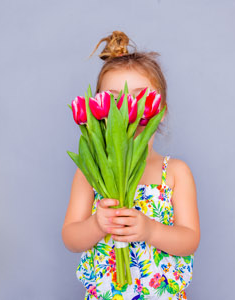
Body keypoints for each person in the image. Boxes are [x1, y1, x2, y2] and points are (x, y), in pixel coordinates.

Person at [61, 31, 200, 300]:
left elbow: (190, 240)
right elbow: (70, 237)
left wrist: (151, 230)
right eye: (114, 100)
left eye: (140, 97)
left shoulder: (175, 173)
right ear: (97, 110)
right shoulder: (90, 172)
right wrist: (96, 225)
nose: (127, 108)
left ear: (162, 110)